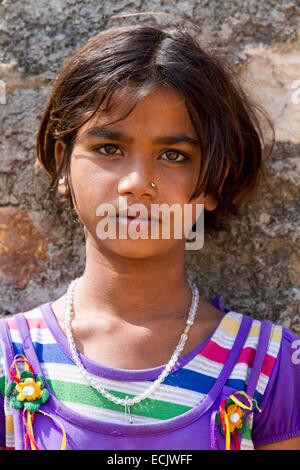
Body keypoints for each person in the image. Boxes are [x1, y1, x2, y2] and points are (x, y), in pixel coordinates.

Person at [0, 23, 299, 451]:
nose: (138, 184)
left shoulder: (269, 368)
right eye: (108, 148)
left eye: (173, 155)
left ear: (214, 182)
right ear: (63, 165)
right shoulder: (9, 359)